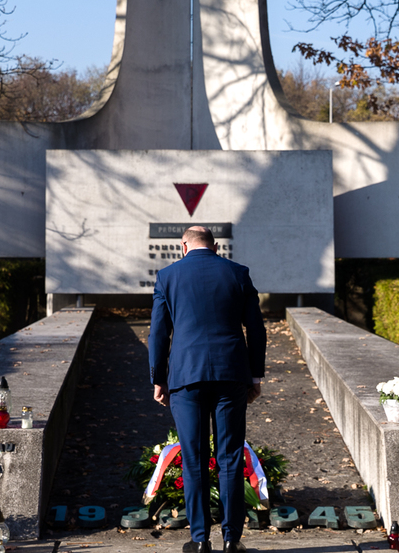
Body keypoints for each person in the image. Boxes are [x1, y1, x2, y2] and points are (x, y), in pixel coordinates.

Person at [148, 226, 267, 553]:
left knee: (194, 458)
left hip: (186, 376)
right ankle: (231, 540)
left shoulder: (167, 276)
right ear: (215, 247)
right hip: (231, 375)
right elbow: (256, 328)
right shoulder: (238, 273)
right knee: (230, 457)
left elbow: (158, 333)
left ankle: (200, 540)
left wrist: (158, 378)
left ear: (183, 247)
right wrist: (255, 376)